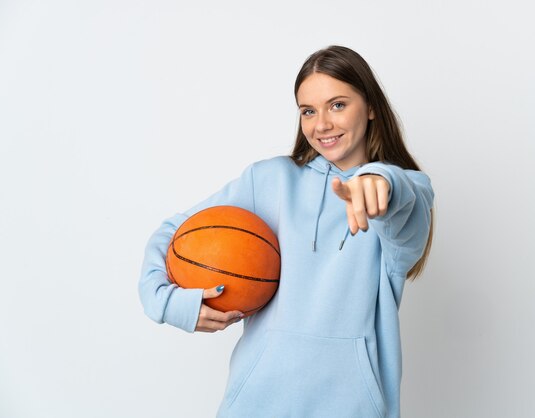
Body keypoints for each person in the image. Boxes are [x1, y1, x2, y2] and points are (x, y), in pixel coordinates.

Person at [139, 45, 434, 418]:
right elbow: (172, 232)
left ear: (371, 107)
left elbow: (411, 200)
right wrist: (169, 303)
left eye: (338, 105)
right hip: (254, 406)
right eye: (308, 111)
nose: (321, 124)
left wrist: (382, 180)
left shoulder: (402, 195)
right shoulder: (269, 181)